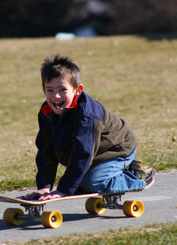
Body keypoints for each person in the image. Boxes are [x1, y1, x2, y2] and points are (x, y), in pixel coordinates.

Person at [23, 54, 155, 201]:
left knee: (92, 182)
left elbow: (83, 153)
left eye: (62, 90)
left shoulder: (86, 115)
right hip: (95, 152)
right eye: (50, 90)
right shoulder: (46, 112)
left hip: (117, 149)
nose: (56, 96)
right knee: (79, 184)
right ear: (43, 90)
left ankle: (137, 174)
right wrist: (44, 187)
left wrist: (64, 190)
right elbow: (46, 151)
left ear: (77, 90)